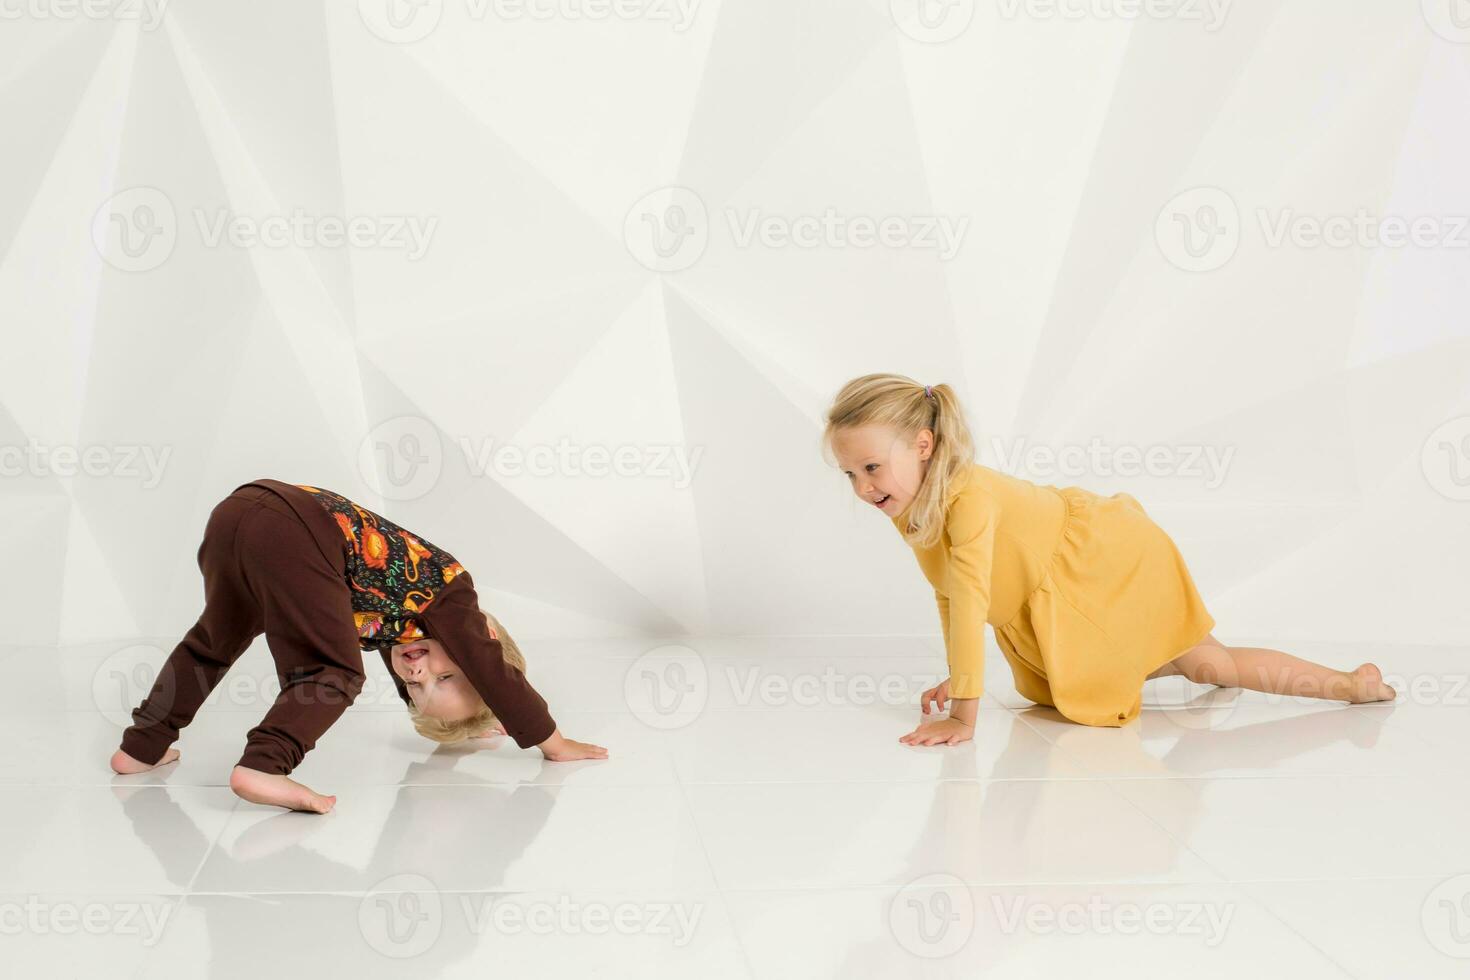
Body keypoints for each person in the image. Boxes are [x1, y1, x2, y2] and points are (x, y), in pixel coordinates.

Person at [822, 374, 1395, 746]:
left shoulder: (968, 497)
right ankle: (1158, 658)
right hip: (1052, 598)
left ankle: (1351, 686)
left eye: (872, 467)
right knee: (1151, 672)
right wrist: (960, 674)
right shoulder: (911, 510)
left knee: (1207, 666)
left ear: (923, 446)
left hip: (1100, 566)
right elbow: (948, 594)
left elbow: (971, 599)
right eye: (851, 474)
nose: (863, 488)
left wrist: (962, 718)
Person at [110, 479, 606, 811]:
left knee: (212, 643)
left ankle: (142, 747)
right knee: (334, 671)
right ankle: (264, 766)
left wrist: (469, 719)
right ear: (488, 642)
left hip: (237, 514)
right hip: (295, 526)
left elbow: (428, 664)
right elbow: (491, 671)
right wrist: (552, 742)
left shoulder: (400, 631)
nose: (415, 673)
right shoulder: (453, 596)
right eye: (446, 675)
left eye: (416, 688)